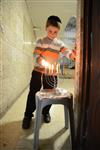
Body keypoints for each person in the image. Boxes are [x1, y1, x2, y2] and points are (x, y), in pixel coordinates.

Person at [22, 15, 76, 129]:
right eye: (50, 31)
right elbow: (36, 55)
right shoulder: (41, 41)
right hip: (38, 72)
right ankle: (27, 115)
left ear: (58, 32)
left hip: (51, 74)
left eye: (55, 32)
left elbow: (67, 52)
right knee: (33, 92)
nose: (52, 34)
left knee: (50, 93)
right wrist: (41, 61)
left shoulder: (59, 43)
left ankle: (45, 112)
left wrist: (73, 55)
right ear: (46, 29)